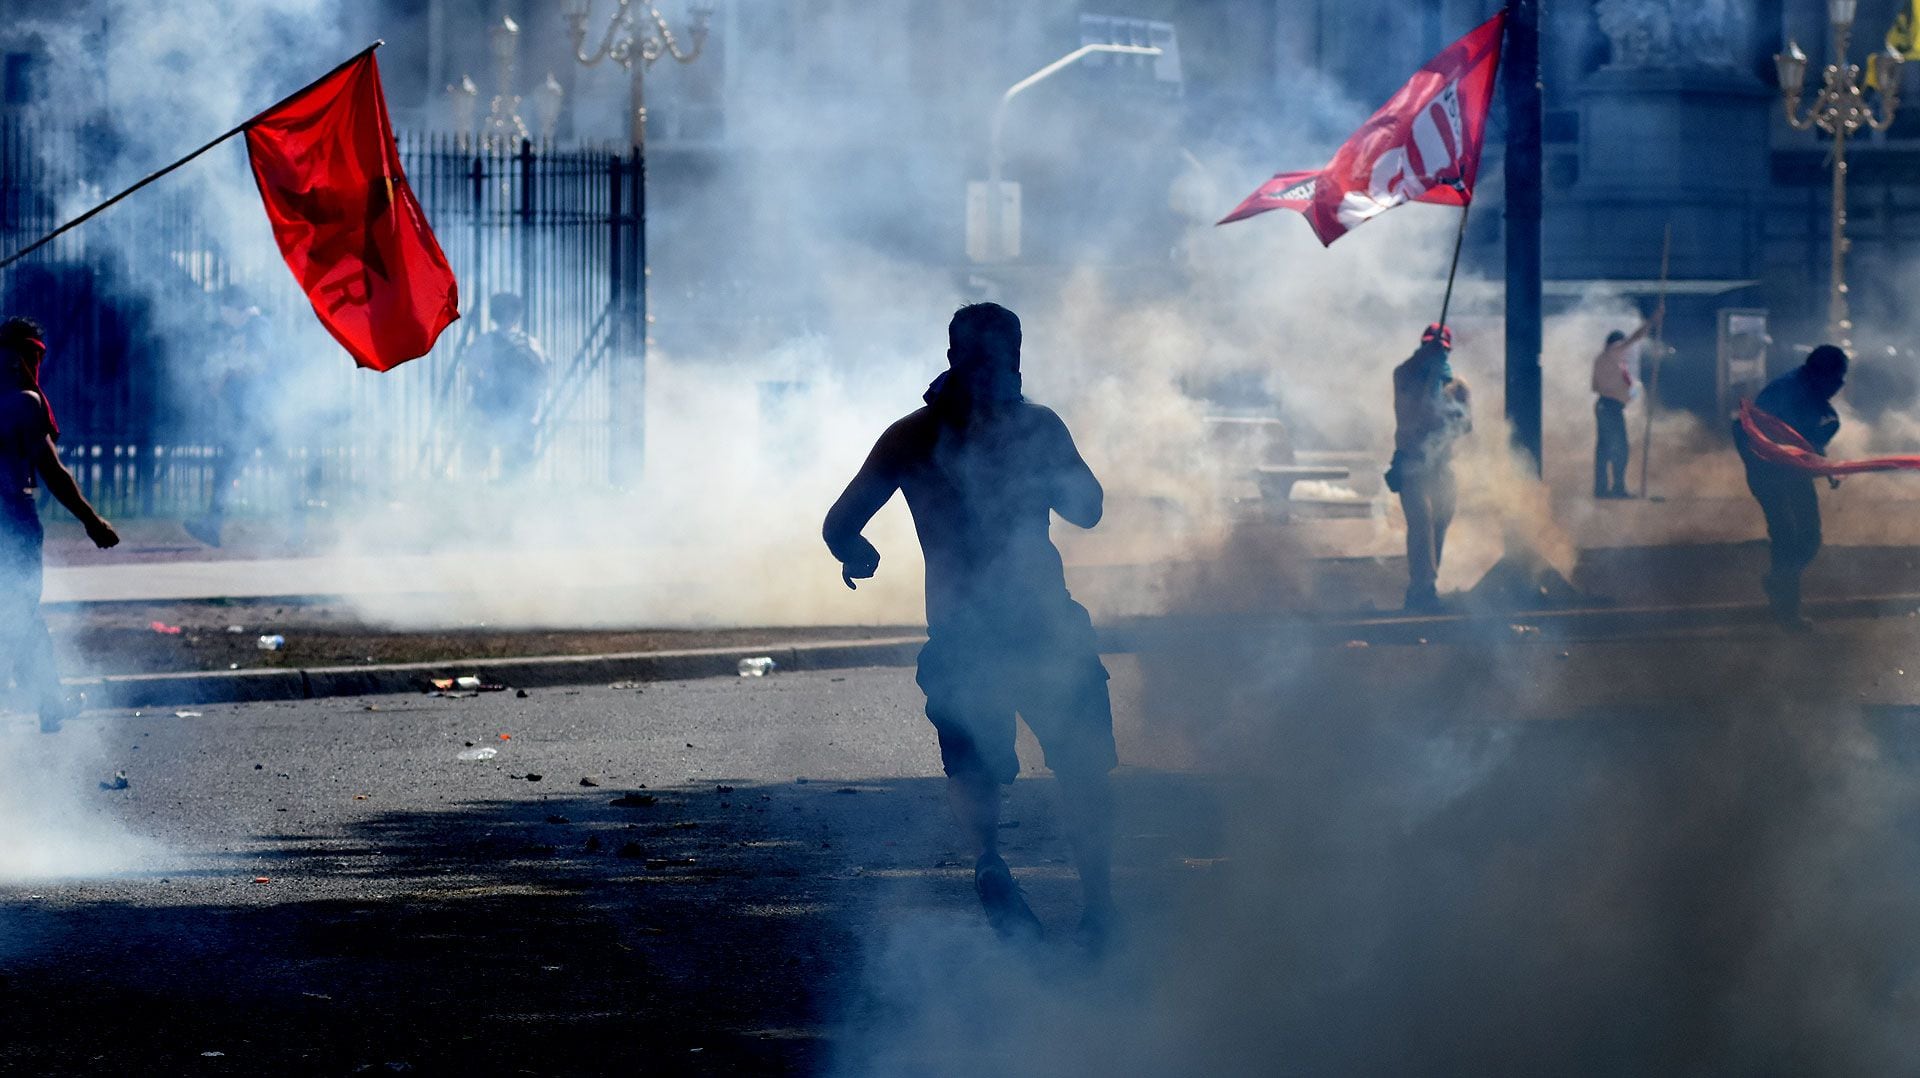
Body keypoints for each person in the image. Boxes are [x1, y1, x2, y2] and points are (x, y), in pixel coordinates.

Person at [823, 302, 1116, 949]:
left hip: (961, 629)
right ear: (1011, 358)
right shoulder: (1035, 426)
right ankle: (1099, 906)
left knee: (973, 763)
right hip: (1041, 622)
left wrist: (857, 553)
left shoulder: (911, 435)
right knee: (1081, 762)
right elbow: (1089, 509)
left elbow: (839, 522)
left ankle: (989, 861)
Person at [0, 318, 119, 732]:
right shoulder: (23, 402)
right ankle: (47, 700)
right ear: (18, 359)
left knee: (19, 614)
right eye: (33, 356)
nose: (37, 365)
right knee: (19, 614)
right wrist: (92, 520)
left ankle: (49, 700)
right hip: (12, 521)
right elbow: (51, 470)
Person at [1733, 344, 1847, 632]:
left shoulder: (1815, 395)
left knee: (1810, 537)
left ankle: (1779, 581)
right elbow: (1758, 437)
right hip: (1770, 475)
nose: (1839, 385)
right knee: (1785, 537)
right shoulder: (1785, 393)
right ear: (1819, 374)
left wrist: (1825, 468)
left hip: (1795, 475)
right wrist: (1769, 472)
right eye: (1836, 378)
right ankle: (1788, 612)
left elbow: (1807, 444)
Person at [186, 286, 284, 549]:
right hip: (252, 414)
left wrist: (228, 374)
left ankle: (212, 526)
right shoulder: (244, 330)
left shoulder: (258, 326)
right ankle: (212, 527)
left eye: (224, 309)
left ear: (232, 308)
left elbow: (261, 362)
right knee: (236, 467)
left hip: (259, 414)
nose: (222, 315)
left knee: (231, 467)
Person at [1387, 324, 1472, 614]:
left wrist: (1445, 413)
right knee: (1421, 523)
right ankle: (1420, 590)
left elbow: (1465, 426)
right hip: (1412, 464)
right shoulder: (1406, 376)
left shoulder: (1457, 386)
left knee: (1439, 524)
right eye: (1427, 347)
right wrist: (1425, 365)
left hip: (1442, 465)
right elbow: (1410, 410)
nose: (1433, 352)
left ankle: (1427, 585)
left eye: (1437, 348)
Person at [463, 293, 549, 481]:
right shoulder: (531, 343)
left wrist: (480, 396)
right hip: (523, 411)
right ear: (518, 314)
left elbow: (471, 375)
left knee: (476, 464)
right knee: (516, 469)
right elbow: (543, 376)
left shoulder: (484, 342)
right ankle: (511, 501)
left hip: (490, 408)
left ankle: (474, 498)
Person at [1591, 306, 1661, 499]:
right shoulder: (1611, 354)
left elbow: (1599, 387)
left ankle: (1603, 490)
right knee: (1619, 448)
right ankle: (1617, 489)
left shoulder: (1607, 361)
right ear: (1613, 345)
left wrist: (1634, 391)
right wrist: (1652, 321)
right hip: (1609, 408)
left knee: (1605, 449)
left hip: (1606, 407)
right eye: (1620, 345)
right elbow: (1634, 338)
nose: (1623, 349)